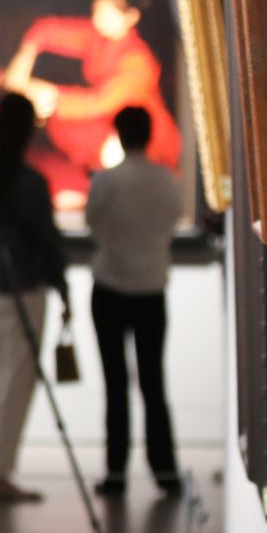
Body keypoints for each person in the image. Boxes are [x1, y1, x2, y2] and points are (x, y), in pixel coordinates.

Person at [0, 93, 72, 505]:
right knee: (15, 381)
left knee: (1, 379)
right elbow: (46, 239)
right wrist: (62, 282)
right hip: (26, 285)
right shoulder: (28, 182)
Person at [1, 0, 184, 203]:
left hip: (142, 138)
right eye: (96, 13)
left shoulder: (138, 61)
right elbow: (48, 30)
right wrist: (26, 54)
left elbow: (99, 104)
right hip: (107, 123)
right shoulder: (99, 37)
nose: (98, 20)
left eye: (106, 14)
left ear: (131, 17)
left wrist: (51, 95)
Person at [84, 106, 184, 498]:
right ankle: (165, 470)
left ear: (120, 135)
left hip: (110, 286)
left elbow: (94, 225)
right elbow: (171, 221)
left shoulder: (107, 180)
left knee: (115, 384)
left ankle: (116, 472)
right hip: (150, 288)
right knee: (153, 381)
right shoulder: (166, 181)